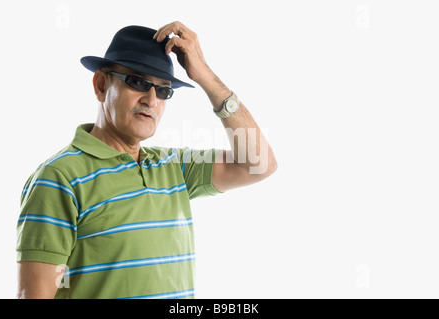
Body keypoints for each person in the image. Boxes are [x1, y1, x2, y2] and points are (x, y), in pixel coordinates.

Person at [16, 21, 277, 299]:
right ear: (102, 84)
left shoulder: (173, 166)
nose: (152, 99)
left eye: (163, 90)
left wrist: (205, 77)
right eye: (137, 82)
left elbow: (259, 163)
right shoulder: (59, 178)